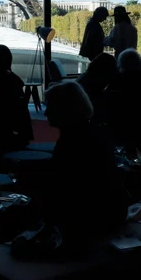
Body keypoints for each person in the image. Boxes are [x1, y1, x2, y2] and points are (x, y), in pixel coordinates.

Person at [42, 82, 127, 247]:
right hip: (109, 214)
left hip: (91, 223)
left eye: (50, 107)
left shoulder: (71, 143)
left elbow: (66, 192)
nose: (46, 113)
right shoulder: (92, 134)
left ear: (63, 110)